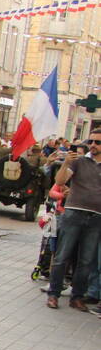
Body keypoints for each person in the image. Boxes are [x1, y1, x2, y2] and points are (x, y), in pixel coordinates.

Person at [46, 130, 101, 310]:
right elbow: (60, 180)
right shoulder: (79, 161)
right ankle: (53, 294)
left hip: (96, 217)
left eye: (97, 142)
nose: (93, 145)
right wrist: (66, 163)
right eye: (91, 141)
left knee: (86, 260)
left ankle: (77, 296)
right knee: (62, 256)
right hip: (74, 213)